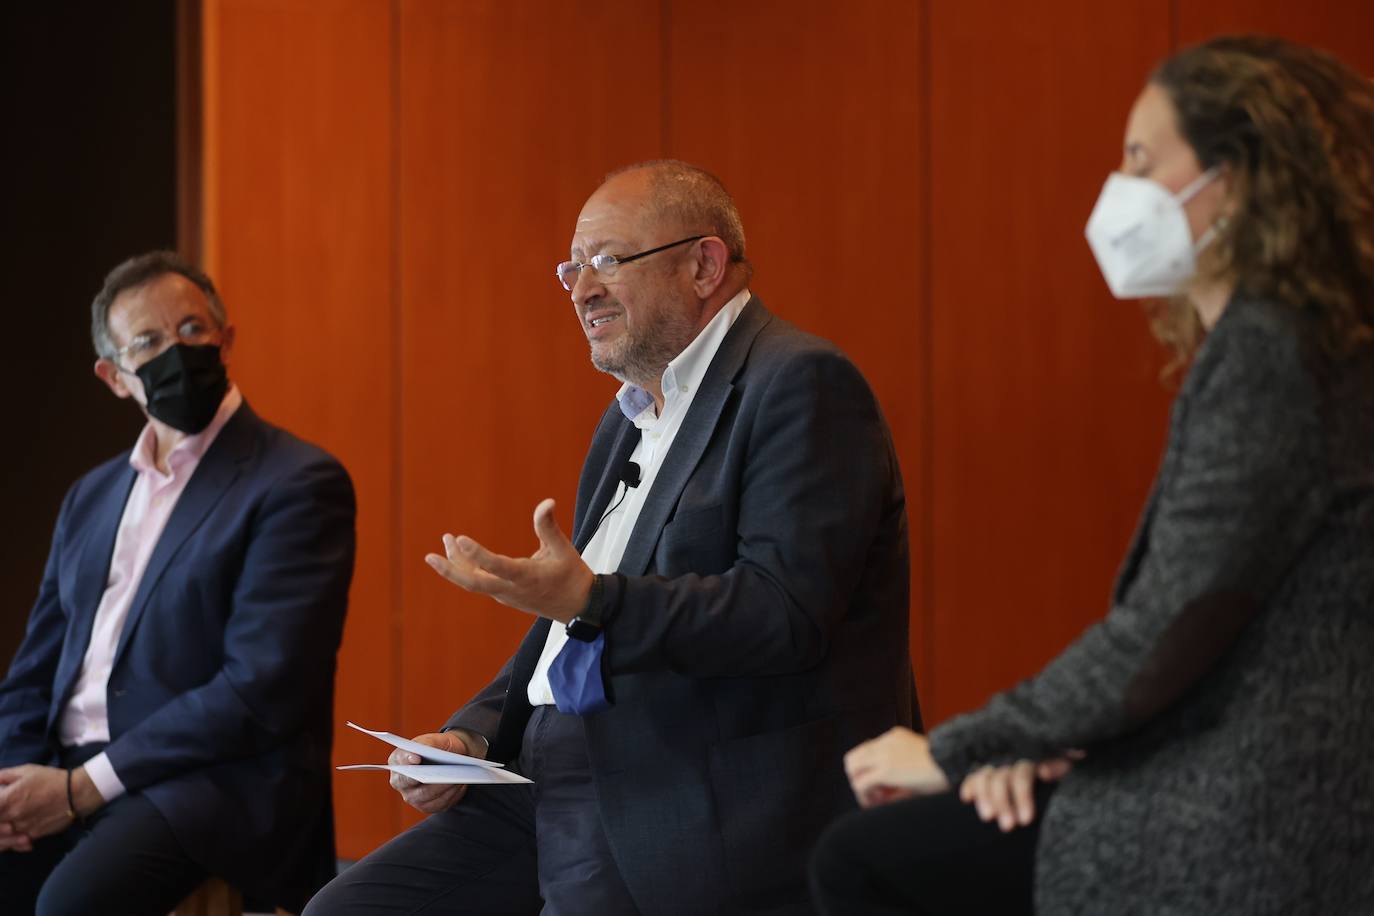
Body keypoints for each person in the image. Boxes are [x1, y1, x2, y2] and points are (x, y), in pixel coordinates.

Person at [811, 35, 1374, 916]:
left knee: (861, 859)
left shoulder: (1270, 351)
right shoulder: (1304, 341)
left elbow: (1170, 624)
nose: (1119, 186)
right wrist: (1054, 747)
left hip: (1254, 811)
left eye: (1142, 158)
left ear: (1234, 176)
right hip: (1246, 775)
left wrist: (963, 748)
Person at [306, 160, 918, 916]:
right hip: (547, 777)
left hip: (688, 790)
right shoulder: (627, 416)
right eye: (572, 267)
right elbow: (571, 629)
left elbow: (783, 614)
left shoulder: (799, 383)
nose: (581, 289)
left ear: (704, 264)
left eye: (607, 262)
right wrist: (470, 741)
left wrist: (593, 599)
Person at [0, 251, 356, 915]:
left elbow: (259, 690)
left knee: (69, 905)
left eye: (192, 331)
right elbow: (35, 668)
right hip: (65, 763)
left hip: (210, 781)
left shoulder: (296, 482)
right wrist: (12, 786)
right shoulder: (91, 496)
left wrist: (80, 789)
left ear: (226, 339)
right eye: (149, 342)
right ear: (114, 376)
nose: (177, 352)